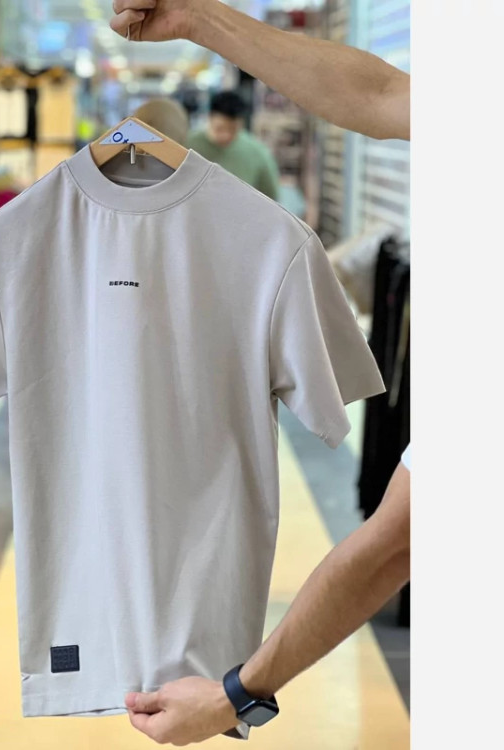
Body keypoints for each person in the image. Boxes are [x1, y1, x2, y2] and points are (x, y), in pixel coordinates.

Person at [109, 0, 411, 744]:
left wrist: (237, 693)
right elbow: (379, 94)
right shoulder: (29, 231)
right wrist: (195, 16)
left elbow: (396, 542)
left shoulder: (271, 224)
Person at [187, 90, 280, 200]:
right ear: (209, 119)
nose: (226, 136)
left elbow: (272, 198)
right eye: (220, 128)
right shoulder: (188, 144)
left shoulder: (257, 153)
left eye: (233, 129)